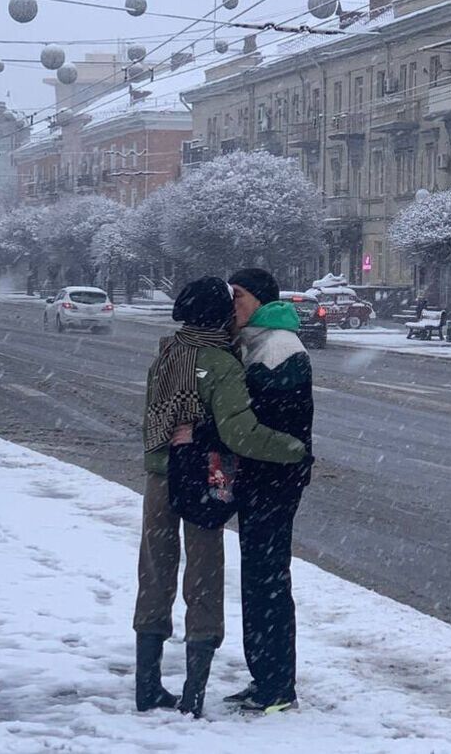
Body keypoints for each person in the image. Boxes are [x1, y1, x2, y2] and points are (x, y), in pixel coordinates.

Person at [134, 277, 307, 719]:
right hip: (200, 479)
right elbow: (239, 432)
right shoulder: (221, 361)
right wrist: (295, 450)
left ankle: (148, 684)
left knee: (155, 572)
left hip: (158, 474)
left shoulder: (168, 351)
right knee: (204, 579)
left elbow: (158, 412)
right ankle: (194, 693)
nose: (235, 311)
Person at [221, 268, 315, 715]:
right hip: (264, 477)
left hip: (274, 479)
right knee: (260, 580)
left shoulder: (278, 348)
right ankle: (266, 677)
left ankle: (277, 686)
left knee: (269, 582)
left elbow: (266, 422)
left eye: (237, 296)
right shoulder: (257, 340)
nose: (231, 303)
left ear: (258, 299)